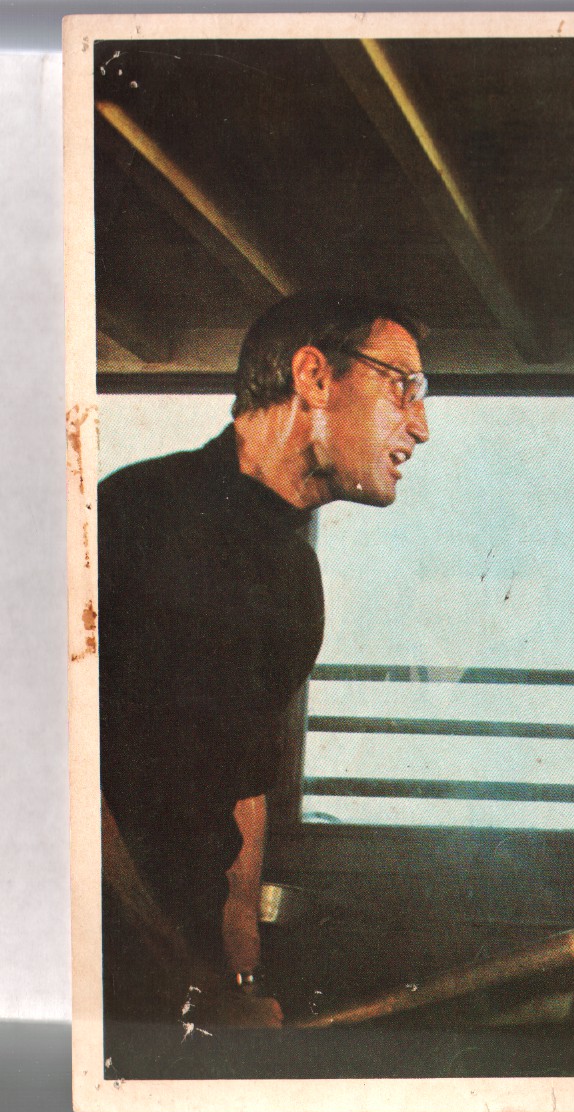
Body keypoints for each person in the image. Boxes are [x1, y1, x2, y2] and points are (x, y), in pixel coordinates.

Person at [99, 292, 430, 1032]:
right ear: (313, 376)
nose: (420, 425)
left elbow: (246, 774)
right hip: (89, 961)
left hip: (182, 964)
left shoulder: (293, 576)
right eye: (402, 386)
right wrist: (184, 981)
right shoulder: (131, 517)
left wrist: (236, 955)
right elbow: (55, 782)